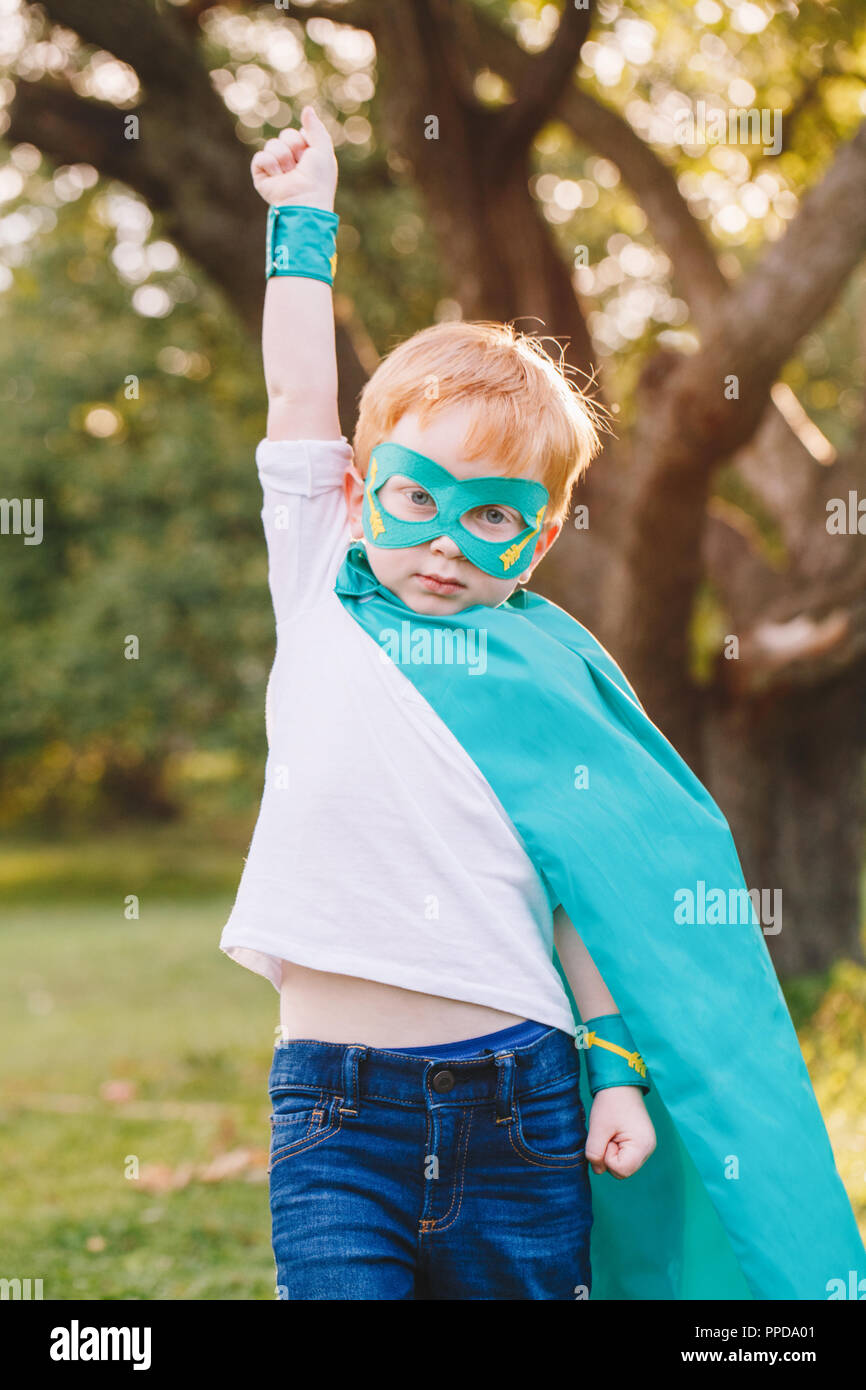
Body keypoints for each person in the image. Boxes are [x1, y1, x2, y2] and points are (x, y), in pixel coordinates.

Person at [220, 106, 865, 1301]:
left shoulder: (550, 677)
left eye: (493, 516)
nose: (445, 544)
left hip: (515, 1096)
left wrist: (613, 1068)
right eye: (415, 498)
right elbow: (295, 393)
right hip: (331, 1104)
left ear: (545, 531)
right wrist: (301, 225)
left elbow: (594, 895)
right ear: (360, 489)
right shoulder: (321, 586)